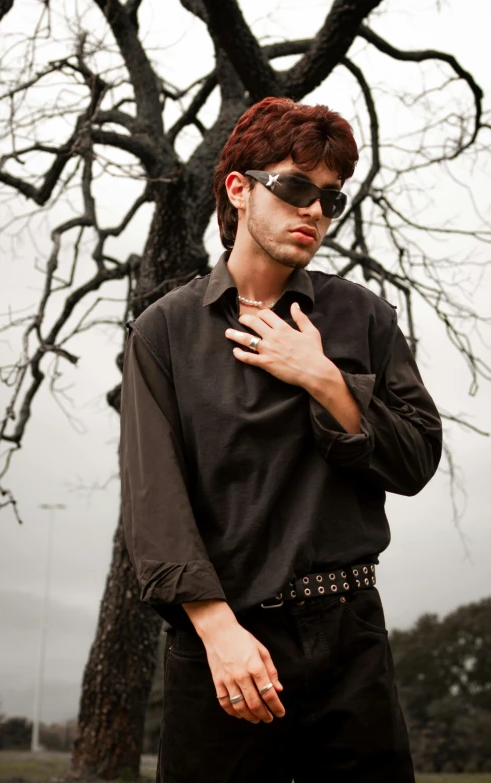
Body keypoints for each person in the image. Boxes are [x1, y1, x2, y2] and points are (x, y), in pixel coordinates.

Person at [119, 97, 442, 783]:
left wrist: (324, 379)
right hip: (226, 645)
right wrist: (217, 630)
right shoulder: (163, 333)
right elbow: (155, 507)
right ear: (239, 188)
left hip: (354, 641)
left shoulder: (364, 317)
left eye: (330, 198)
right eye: (295, 187)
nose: (315, 211)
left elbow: (415, 457)